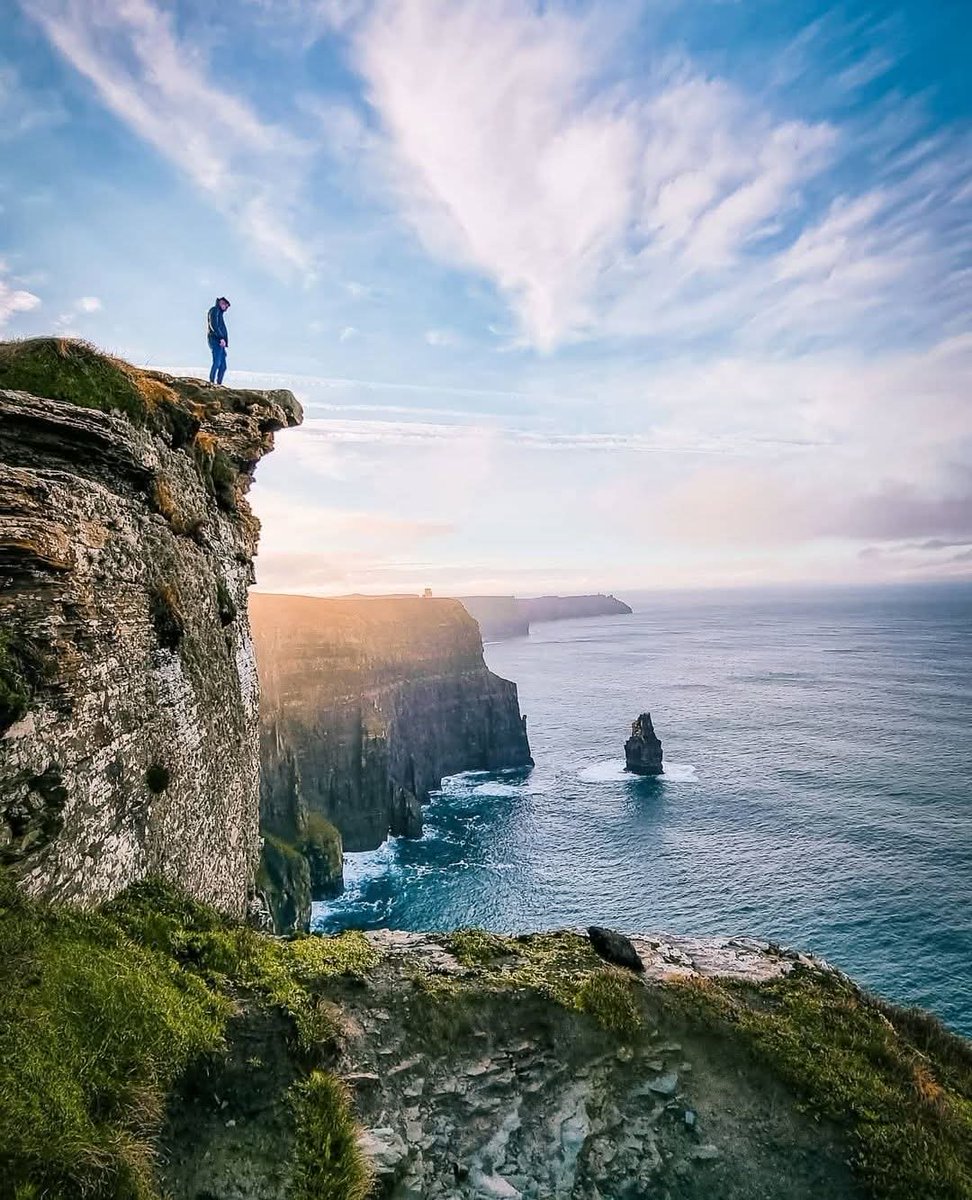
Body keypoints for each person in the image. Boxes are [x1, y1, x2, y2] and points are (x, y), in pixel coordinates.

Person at [207, 296, 231, 385]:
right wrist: (221, 338)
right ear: (221, 303)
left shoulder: (219, 313)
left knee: (223, 366)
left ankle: (219, 384)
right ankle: (212, 382)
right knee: (217, 362)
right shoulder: (214, 310)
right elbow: (214, 325)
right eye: (226, 306)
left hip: (221, 342)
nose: (226, 308)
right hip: (216, 340)